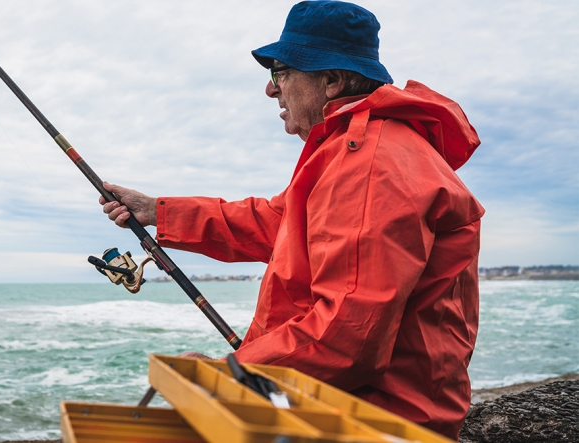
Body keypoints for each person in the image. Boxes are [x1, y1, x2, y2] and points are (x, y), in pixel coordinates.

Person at [100, 1, 483, 439]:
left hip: (375, 423)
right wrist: (158, 212)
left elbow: (347, 337)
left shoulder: (371, 164)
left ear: (333, 80)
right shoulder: (355, 149)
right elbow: (276, 223)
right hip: (356, 406)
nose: (271, 89)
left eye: (280, 72)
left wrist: (227, 375)